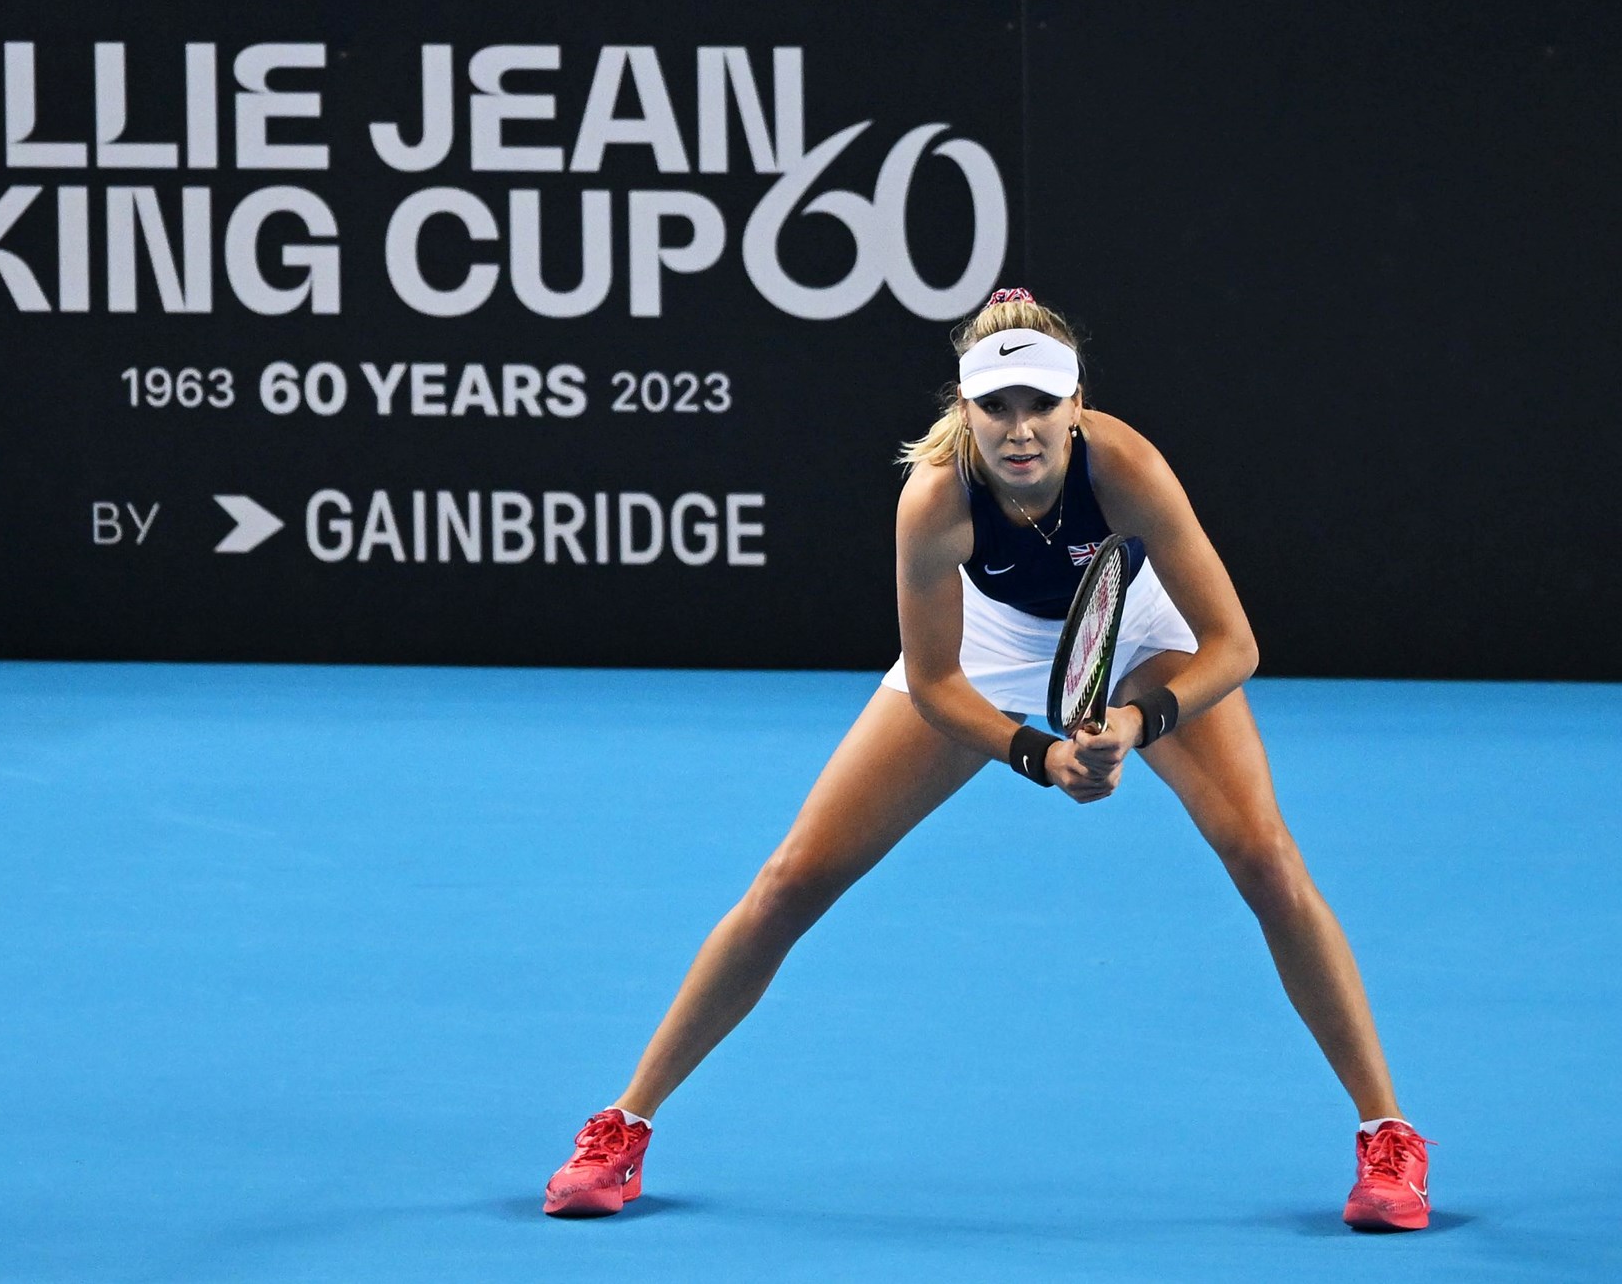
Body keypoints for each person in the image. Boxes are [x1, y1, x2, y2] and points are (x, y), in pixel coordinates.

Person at [542, 289, 1431, 1231]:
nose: (1020, 428)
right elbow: (933, 682)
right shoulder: (933, 499)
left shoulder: (1124, 464)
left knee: (1267, 862)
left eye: (1041, 404)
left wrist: (1136, 721)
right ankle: (622, 1125)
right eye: (995, 404)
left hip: (1138, 637)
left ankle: (1390, 1140)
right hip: (990, 646)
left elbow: (1233, 644)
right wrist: (1039, 756)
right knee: (790, 880)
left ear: (1077, 405)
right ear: (961, 409)